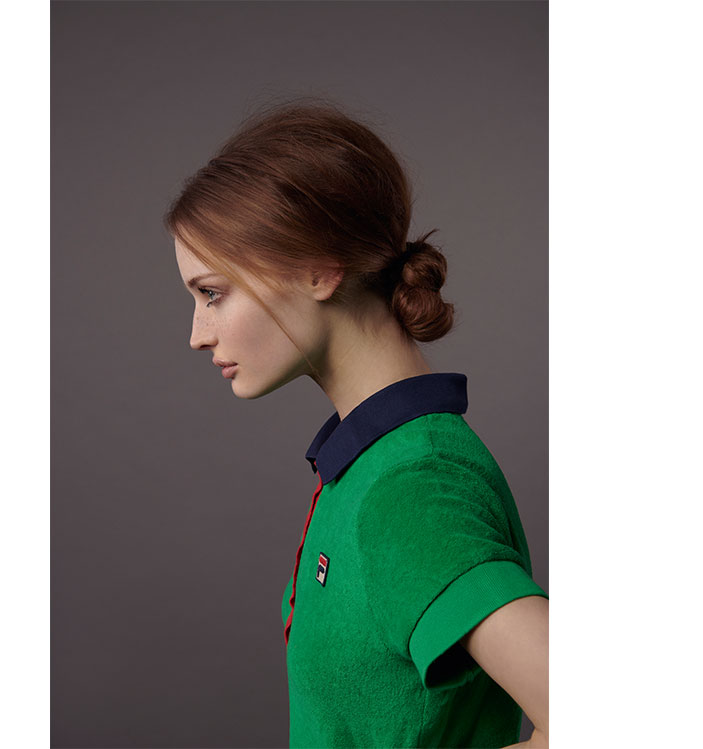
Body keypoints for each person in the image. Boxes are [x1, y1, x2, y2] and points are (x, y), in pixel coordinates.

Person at [165, 99, 548, 749]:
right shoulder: (370, 468)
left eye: (212, 292)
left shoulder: (409, 489)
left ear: (318, 267)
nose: (198, 333)